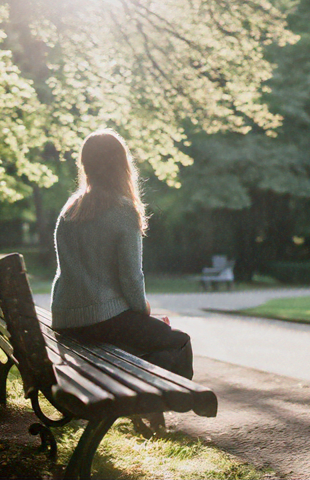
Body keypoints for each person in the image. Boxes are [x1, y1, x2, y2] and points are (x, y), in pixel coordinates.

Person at [50, 129, 193, 433]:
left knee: (150, 334)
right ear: (121, 164)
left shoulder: (71, 208)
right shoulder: (122, 210)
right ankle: (150, 405)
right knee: (178, 342)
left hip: (66, 320)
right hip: (103, 320)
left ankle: (144, 409)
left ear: (85, 165)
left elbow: (66, 270)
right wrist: (143, 308)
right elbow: (131, 277)